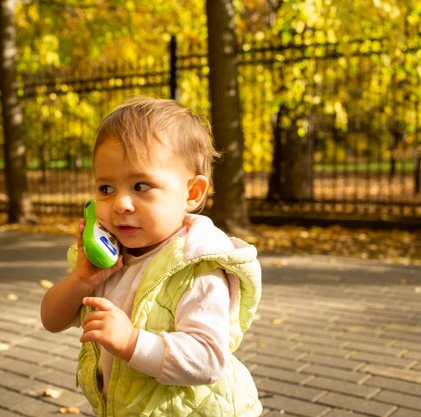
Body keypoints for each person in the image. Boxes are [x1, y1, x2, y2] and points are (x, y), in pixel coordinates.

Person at [40, 96, 262, 417]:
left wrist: (132, 343)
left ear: (192, 193)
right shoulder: (106, 261)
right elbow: (51, 320)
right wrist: (80, 280)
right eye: (106, 189)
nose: (121, 204)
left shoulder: (198, 268)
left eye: (141, 186)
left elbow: (209, 361)